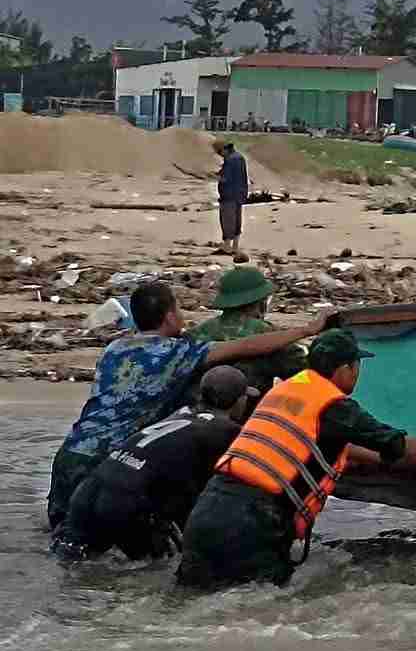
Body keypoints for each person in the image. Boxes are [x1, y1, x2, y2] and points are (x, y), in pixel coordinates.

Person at [176, 328, 416, 590]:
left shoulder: (284, 391)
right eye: (357, 366)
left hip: (206, 511)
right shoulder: (333, 406)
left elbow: (326, 447)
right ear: (345, 368)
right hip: (251, 522)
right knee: (257, 603)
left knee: (193, 598)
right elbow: (397, 445)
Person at [46, 281, 322, 528]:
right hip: (114, 463)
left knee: (65, 541)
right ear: (169, 316)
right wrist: (307, 329)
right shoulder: (177, 352)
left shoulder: (115, 348)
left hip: (71, 453)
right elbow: (247, 346)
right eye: (178, 309)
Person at [53, 366, 254, 562]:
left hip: (88, 489)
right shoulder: (228, 431)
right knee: (154, 568)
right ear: (239, 400)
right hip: (124, 501)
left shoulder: (180, 414)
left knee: (73, 561)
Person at [187, 266, 305, 395]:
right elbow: (302, 371)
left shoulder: (196, 333)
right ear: (261, 303)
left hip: (195, 404)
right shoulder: (270, 336)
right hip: (249, 405)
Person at [217, 141, 249, 256]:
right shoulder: (241, 157)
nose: (220, 155)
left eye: (220, 152)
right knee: (237, 221)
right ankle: (235, 246)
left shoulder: (230, 160)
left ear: (226, 150)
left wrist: (215, 177)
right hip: (240, 194)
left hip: (228, 195)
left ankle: (227, 247)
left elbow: (225, 178)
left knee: (227, 220)